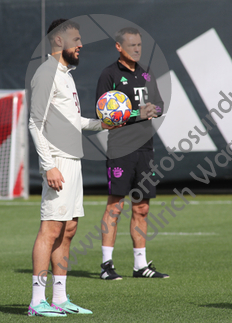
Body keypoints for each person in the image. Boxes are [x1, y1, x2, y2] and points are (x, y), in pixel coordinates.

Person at [27, 19, 120, 317]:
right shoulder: (46, 73)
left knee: (68, 230)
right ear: (58, 41)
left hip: (72, 160)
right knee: (50, 229)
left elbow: (73, 121)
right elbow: (35, 123)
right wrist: (48, 166)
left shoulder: (66, 75)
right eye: (75, 39)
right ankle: (37, 301)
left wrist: (101, 123)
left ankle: (60, 298)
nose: (81, 45)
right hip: (57, 162)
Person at [96, 27, 169, 280]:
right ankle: (106, 265)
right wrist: (139, 113)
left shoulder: (147, 74)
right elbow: (104, 116)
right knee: (115, 207)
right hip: (120, 149)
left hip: (145, 149)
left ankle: (140, 266)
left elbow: (159, 104)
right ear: (119, 47)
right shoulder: (109, 75)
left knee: (142, 208)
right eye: (132, 45)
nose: (137, 49)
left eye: (139, 45)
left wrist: (154, 109)